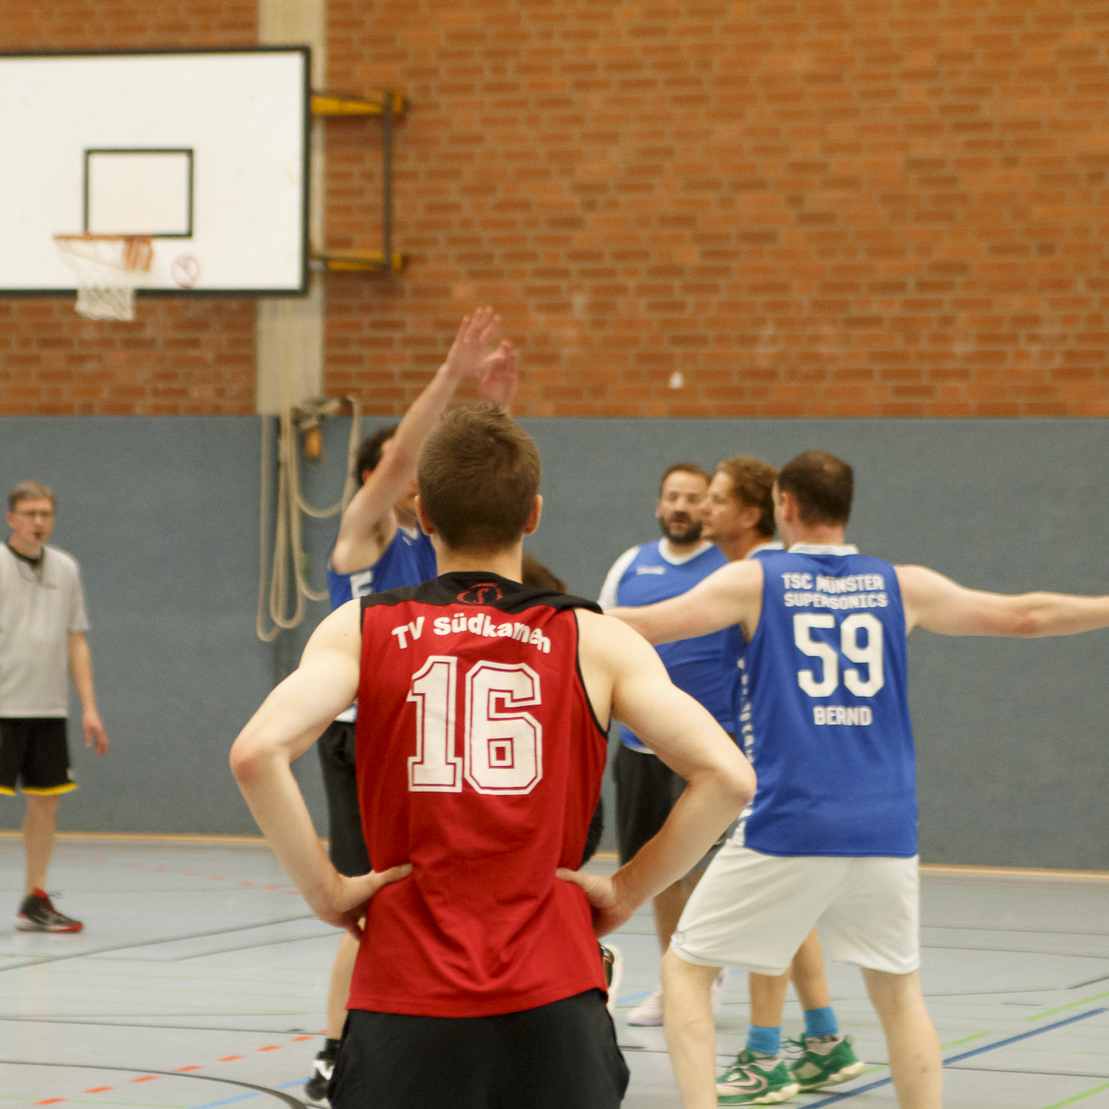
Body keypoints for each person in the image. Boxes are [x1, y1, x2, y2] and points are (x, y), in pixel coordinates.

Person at [230, 404, 756, 1109]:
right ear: (532, 513)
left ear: (424, 513)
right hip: (553, 995)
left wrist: (326, 891)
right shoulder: (592, 636)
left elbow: (256, 753)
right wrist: (627, 889)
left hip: (405, 996)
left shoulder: (363, 627)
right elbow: (727, 776)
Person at [611, 450, 1109, 1109]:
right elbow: (1026, 614)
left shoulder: (757, 581)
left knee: (684, 967)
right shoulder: (900, 584)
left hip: (789, 823)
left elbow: (643, 624)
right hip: (885, 829)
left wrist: (532, 612)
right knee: (899, 996)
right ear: (845, 507)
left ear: (784, 505)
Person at [303, 307, 516, 1106]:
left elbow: (492, 496)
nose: (416, 484)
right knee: (374, 897)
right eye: (406, 473)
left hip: (437, 732)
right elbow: (400, 459)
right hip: (365, 738)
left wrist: (494, 414)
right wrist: (454, 376)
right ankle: (336, 1047)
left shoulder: (437, 549)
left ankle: (456, 1024)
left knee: (447, 885)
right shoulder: (362, 535)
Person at [703, 456, 864, 1099]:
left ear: (760, 510)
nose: (706, 508)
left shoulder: (762, 577)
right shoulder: (761, 574)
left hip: (777, 775)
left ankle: (764, 1054)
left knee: (764, 914)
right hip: (800, 773)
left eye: (717, 498)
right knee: (791, 912)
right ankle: (824, 1038)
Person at [597, 462, 733, 1025]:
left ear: (708, 508)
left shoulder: (730, 568)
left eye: (693, 498)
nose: (680, 506)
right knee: (655, 869)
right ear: (659, 505)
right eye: (671, 497)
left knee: (704, 870)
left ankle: (707, 972)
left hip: (708, 746)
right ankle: (672, 981)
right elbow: (601, 635)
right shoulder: (631, 564)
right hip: (640, 747)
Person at [1, 481, 109, 933]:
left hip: (47, 709)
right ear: (11, 518)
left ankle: (36, 897)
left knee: (46, 803)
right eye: (29, 513)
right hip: (2, 707)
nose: (38, 522)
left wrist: (88, 706)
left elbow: (75, 639)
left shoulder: (66, 568)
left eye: (45, 513)